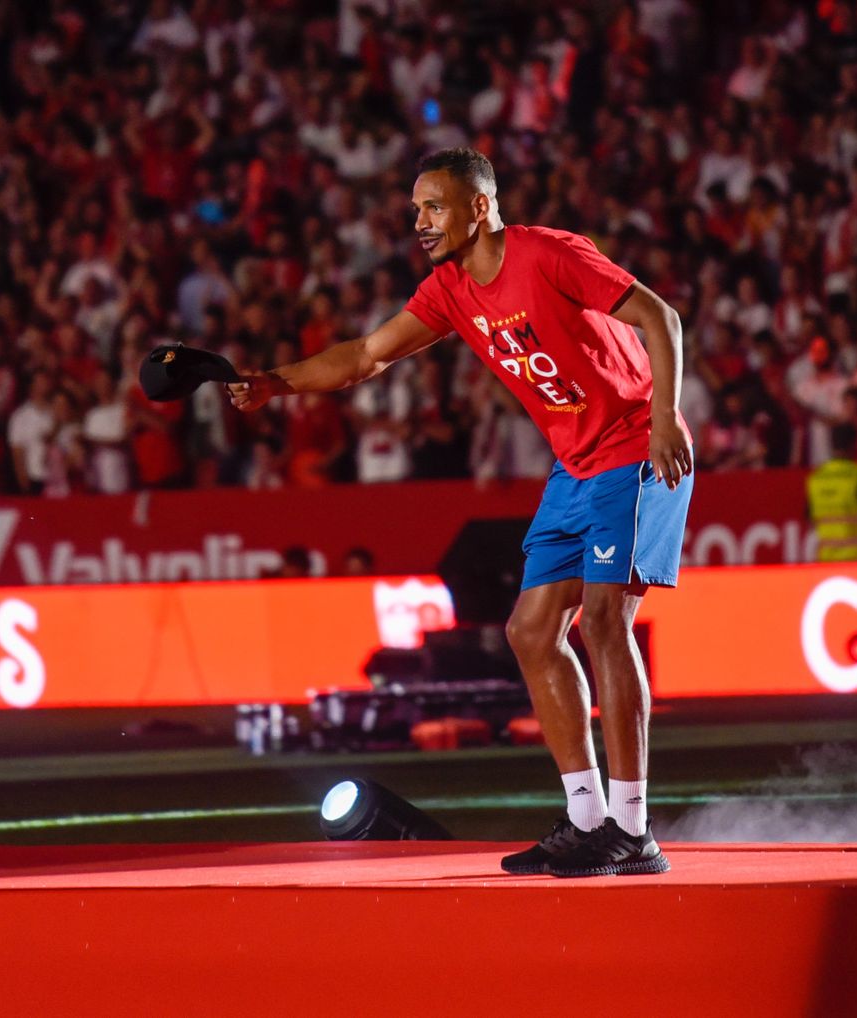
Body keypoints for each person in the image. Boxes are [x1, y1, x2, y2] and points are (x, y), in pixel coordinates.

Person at [228, 148, 692, 878]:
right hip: (575, 467)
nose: (419, 222)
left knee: (605, 620)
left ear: (480, 207)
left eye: (433, 207)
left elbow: (660, 317)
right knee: (531, 631)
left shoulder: (547, 254)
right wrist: (273, 385)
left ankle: (634, 832)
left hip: (635, 447)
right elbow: (364, 357)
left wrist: (664, 414)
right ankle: (587, 820)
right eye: (416, 209)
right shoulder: (448, 289)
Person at [806, 422, 857, 562]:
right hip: (856, 558)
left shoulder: (816, 478)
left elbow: (812, 522)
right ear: (853, 445)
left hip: (826, 559)